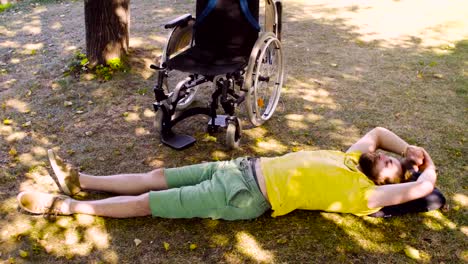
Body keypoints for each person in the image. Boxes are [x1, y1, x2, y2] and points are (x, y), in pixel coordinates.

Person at [17, 127, 445, 219]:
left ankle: (64, 206)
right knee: (157, 176)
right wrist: (410, 149)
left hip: (245, 196)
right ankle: (84, 182)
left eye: (395, 174)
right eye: (393, 161)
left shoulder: (364, 196)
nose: (391, 165)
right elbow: (376, 133)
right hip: (241, 166)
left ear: (387, 189)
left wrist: (425, 176)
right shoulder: (354, 158)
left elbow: (425, 187)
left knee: (150, 204)